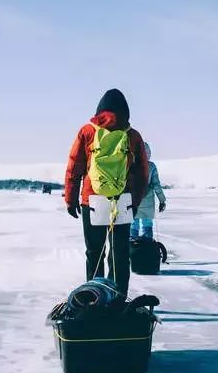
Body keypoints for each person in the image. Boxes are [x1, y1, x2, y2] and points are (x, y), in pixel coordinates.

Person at [64, 89, 149, 295]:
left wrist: (71, 198)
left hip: (92, 200)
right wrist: (135, 202)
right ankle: (119, 298)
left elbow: (74, 167)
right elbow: (142, 174)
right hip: (122, 200)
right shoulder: (133, 136)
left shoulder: (87, 131)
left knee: (94, 252)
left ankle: (95, 298)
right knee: (119, 253)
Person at [131, 143, 167, 240]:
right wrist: (162, 200)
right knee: (147, 223)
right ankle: (148, 245)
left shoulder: (130, 165)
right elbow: (156, 185)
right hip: (148, 200)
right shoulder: (151, 166)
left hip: (133, 201)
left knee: (133, 223)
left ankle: (133, 247)